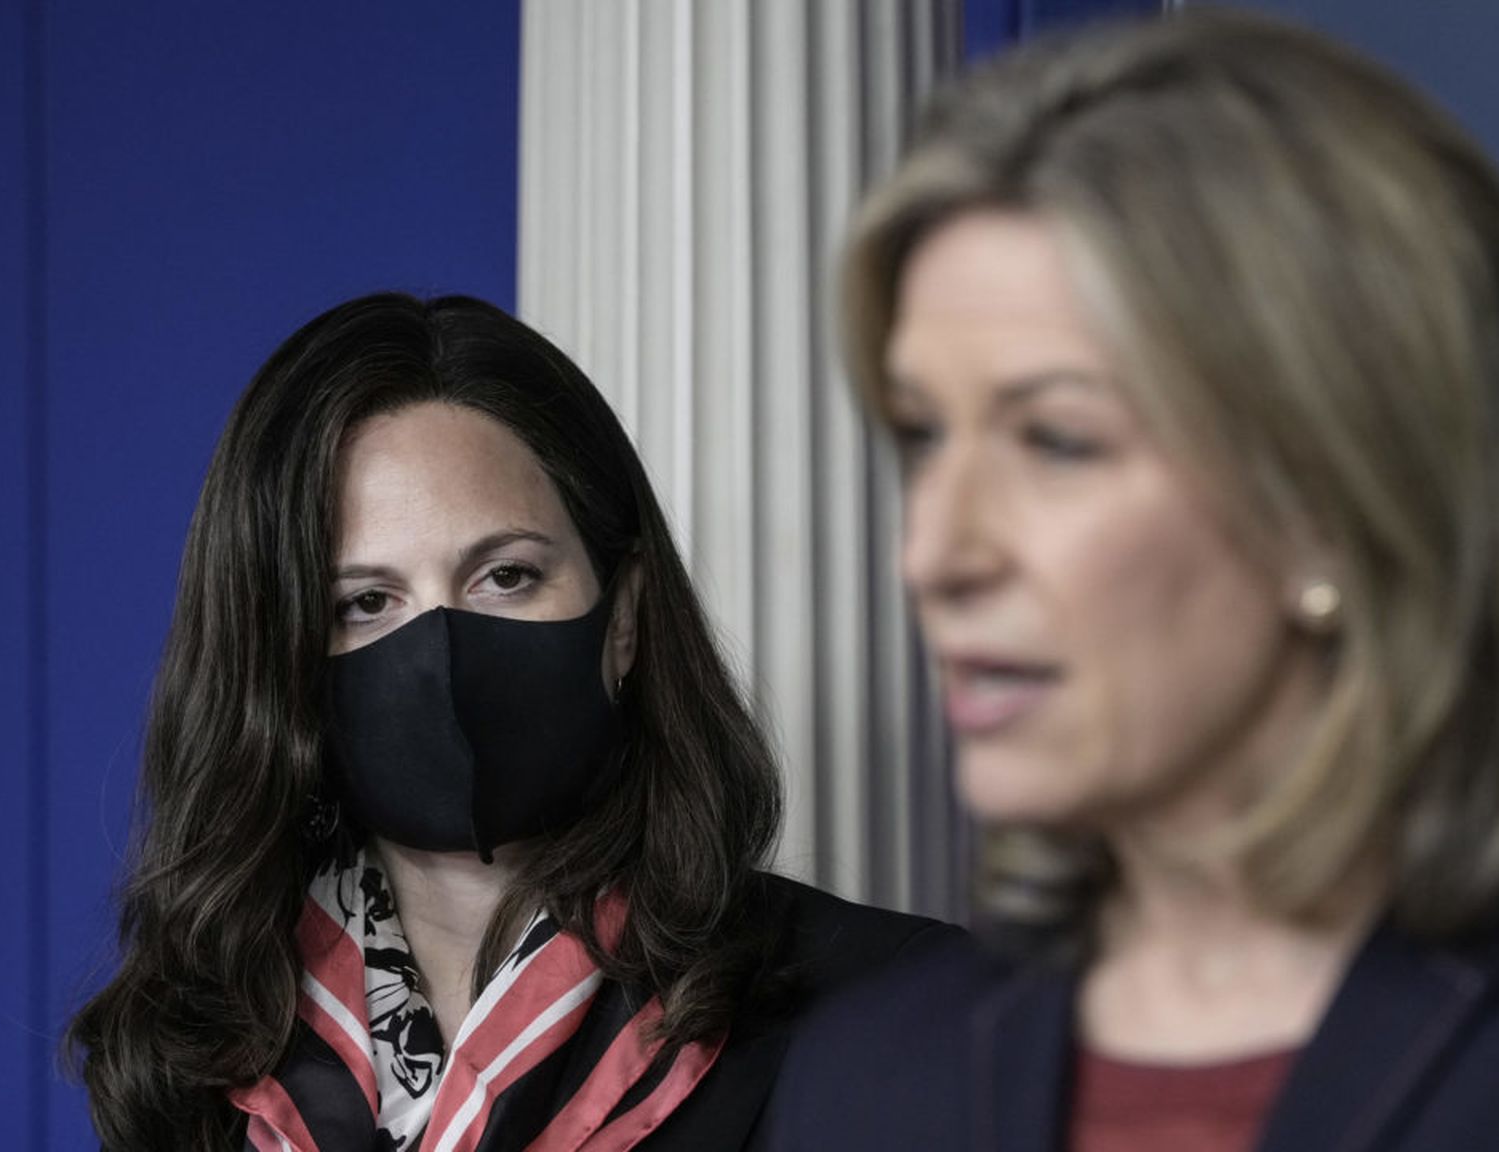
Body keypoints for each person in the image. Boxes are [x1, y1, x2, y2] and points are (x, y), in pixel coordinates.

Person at [766, 9, 1499, 1151]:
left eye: (1057, 441)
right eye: (923, 437)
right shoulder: (864, 1075)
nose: (933, 554)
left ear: (1332, 500)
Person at [67, 292, 954, 1152]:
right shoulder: (195, 1063)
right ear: (279, 664)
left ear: (626, 617)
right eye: (366, 601)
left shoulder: (897, 1010)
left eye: (507, 577)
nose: (443, 653)